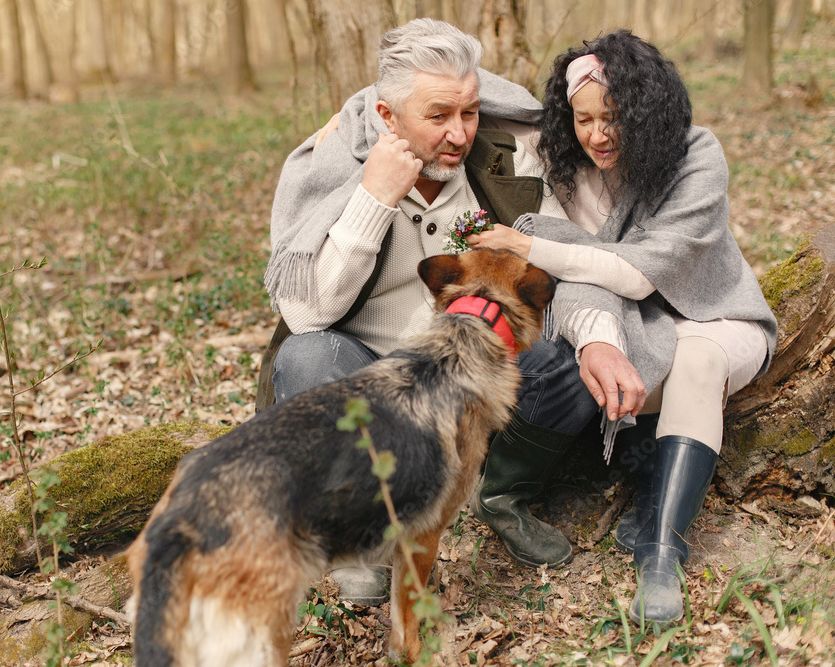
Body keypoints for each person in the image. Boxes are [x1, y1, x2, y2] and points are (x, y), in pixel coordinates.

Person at [466, 30, 777, 624]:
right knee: (594, 361)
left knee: (698, 358)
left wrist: (527, 244)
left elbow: (635, 276)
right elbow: (489, 94)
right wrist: (361, 108)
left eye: (612, 118)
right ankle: (641, 488)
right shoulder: (569, 169)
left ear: (646, 110)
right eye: (582, 119)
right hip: (636, 334)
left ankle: (661, 554)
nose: (597, 135)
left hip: (716, 319)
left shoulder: (697, 156)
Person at [258, 18, 568, 605]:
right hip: (372, 375)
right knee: (306, 357)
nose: (459, 135)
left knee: (566, 357)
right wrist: (375, 198)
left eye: (470, 113)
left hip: (476, 376)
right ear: (385, 118)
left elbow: (561, 257)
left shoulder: (503, 167)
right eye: (438, 116)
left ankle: (499, 493)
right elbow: (305, 314)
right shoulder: (331, 174)